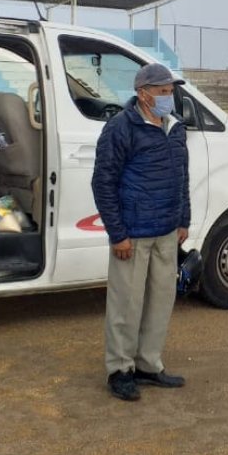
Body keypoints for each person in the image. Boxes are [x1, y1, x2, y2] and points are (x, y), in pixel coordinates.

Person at [91, 62, 190, 401]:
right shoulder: (121, 128)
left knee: (161, 301)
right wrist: (117, 233)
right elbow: (103, 183)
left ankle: (149, 363)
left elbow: (182, 177)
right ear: (143, 93)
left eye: (171, 90)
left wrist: (183, 220)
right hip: (133, 233)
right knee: (126, 305)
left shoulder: (175, 128)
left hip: (166, 231)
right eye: (163, 91)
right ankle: (120, 369)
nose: (169, 96)